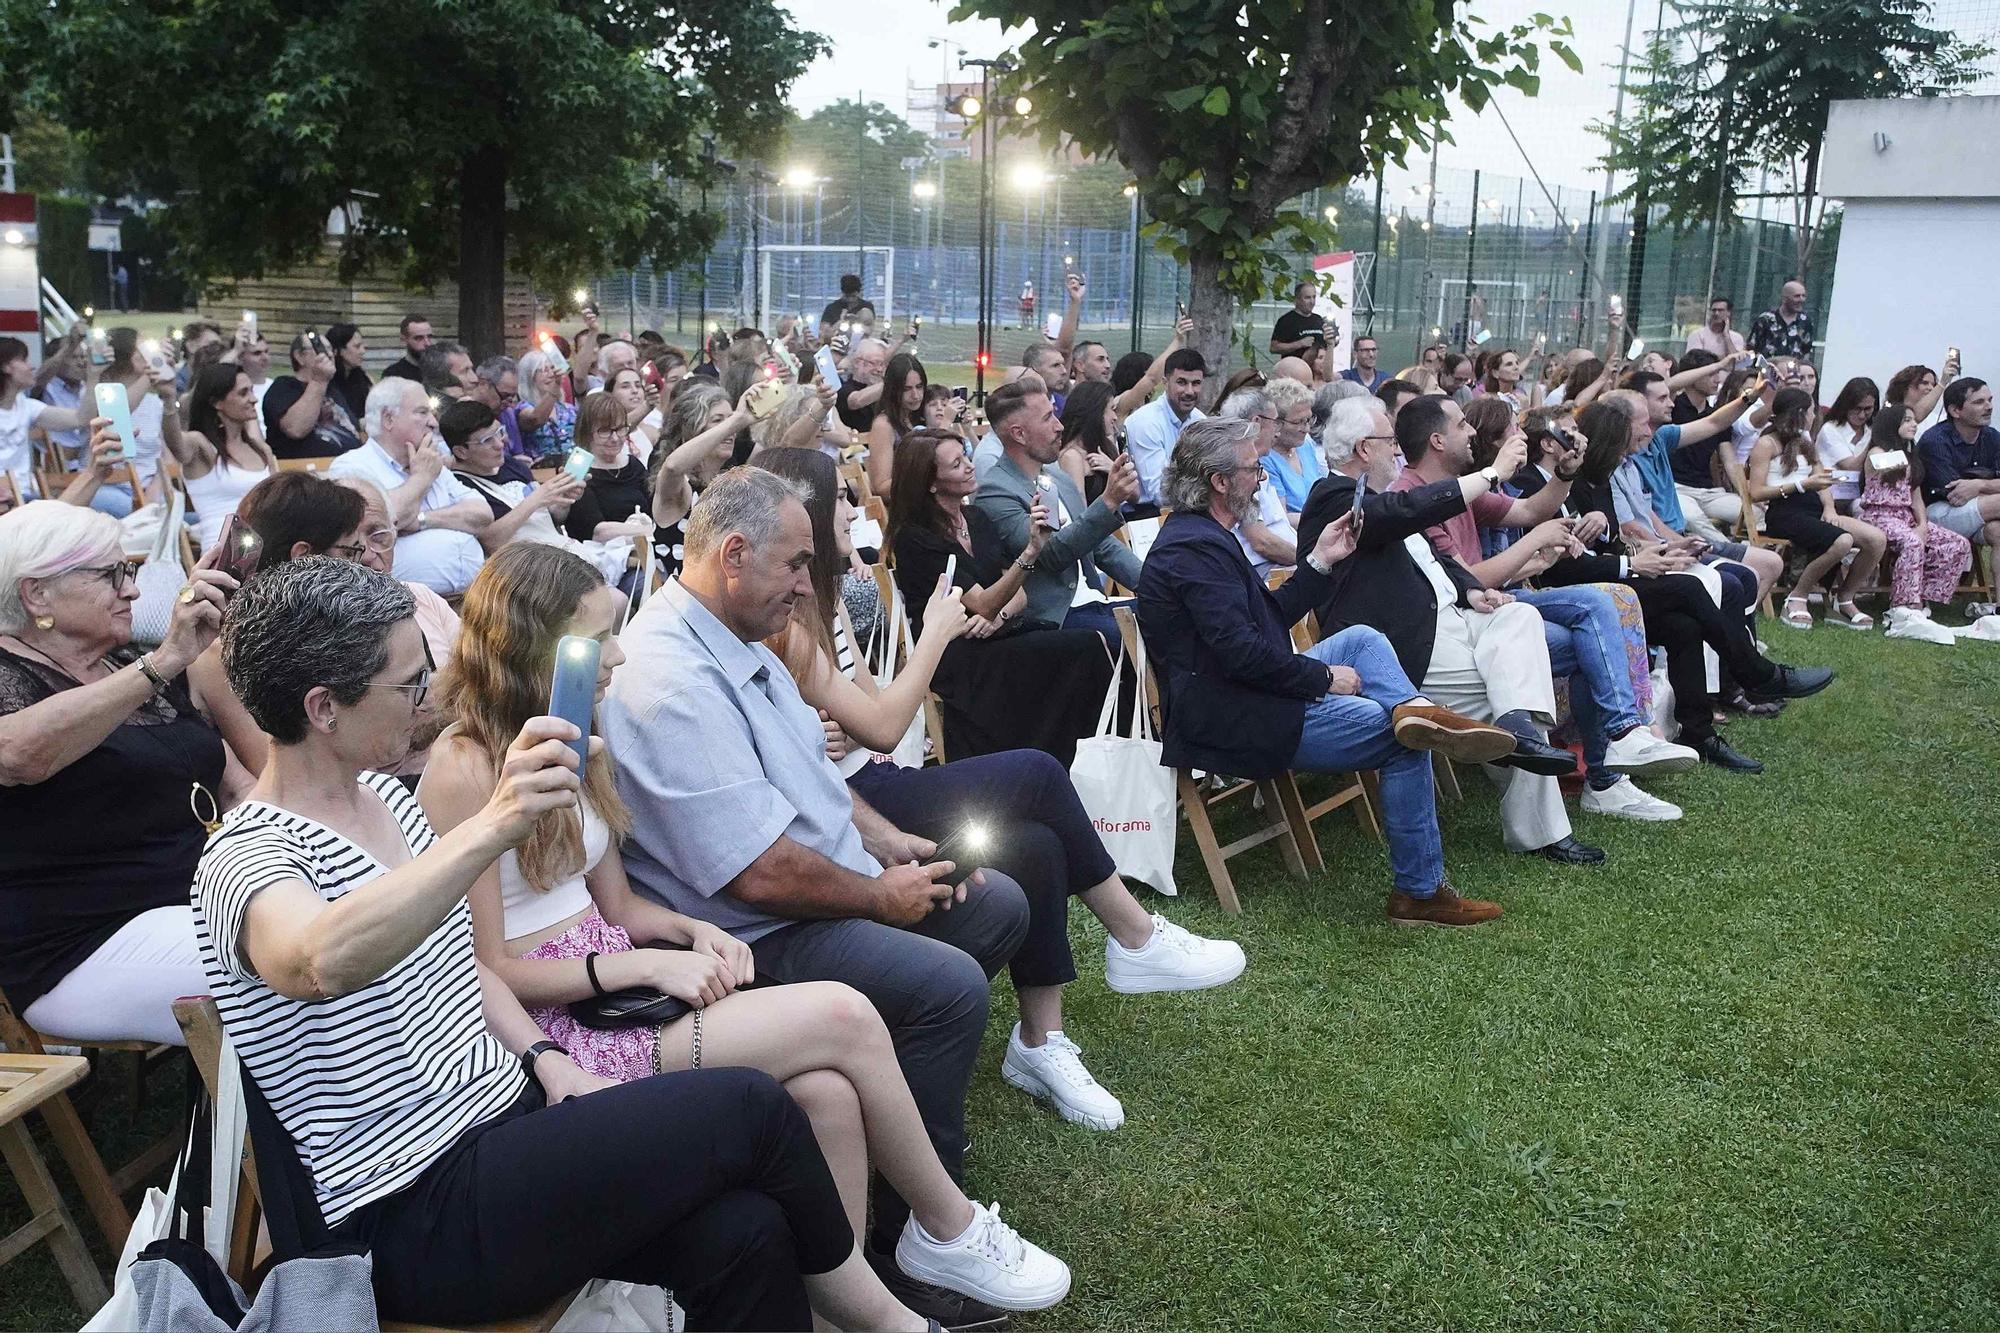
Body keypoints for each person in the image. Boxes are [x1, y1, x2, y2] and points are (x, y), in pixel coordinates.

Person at [196, 556, 933, 1332]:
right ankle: (891, 1324)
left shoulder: (382, 798)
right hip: (405, 1209)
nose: (427, 698)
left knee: (745, 1230)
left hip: (502, 1126)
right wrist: (491, 826)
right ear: (323, 707)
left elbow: (461, 967)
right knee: (750, 1107)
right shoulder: (250, 855)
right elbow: (314, 958)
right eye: (409, 682)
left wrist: (547, 1062)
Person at [420, 544, 1069, 1310]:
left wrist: (692, 934)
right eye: (596, 642)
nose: (618, 657)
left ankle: (844, 1314)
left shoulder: (572, 736)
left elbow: (620, 909)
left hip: (624, 986)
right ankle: (943, 1228)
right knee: (843, 1014)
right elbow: (484, 965)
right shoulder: (464, 767)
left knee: (828, 1092)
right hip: (564, 1024)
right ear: (536, 647)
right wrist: (640, 967)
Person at [600, 469, 1057, 1321]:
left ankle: (906, 1149)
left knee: (995, 906)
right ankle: (920, 1232)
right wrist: (878, 898)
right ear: (733, 555)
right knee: (946, 986)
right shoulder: (671, 676)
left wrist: (892, 844)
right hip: (750, 933)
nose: (810, 584)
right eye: (797, 562)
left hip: (802, 892)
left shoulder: (734, 633)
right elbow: (757, 872)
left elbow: (811, 778)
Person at [759, 447, 1245, 1134]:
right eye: (840, 495)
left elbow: (867, 711)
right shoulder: (784, 616)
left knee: (1040, 845)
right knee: (1039, 774)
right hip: (853, 804)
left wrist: (844, 718)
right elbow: (887, 719)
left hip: (872, 777)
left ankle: (1039, 1044)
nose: (853, 505)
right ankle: (1134, 938)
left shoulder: (834, 595)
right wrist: (932, 634)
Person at [1137, 417, 1518, 925]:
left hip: (1247, 689)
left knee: (1362, 640)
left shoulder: (1205, 536)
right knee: (1406, 741)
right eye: (1255, 469)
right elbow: (1244, 656)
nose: (1263, 479)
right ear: (1219, 481)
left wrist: (1319, 560)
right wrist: (1321, 679)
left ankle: (1418, 710)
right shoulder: (1194, 549)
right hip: (1235, 714)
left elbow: (1265, 626)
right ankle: (1419, 894)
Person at [1298, 399, 1607, 865]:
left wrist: (1469, 590)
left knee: (1519, 621)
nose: (1398, 454)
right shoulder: (1334, 496)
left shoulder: (1380, 498)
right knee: (1505, 693)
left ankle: (1518, 728)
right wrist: (1491, 473)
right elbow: (1402, 514)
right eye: (1388, 444)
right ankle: (1542, 828)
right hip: (1402, 646)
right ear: (1363, 449)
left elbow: (1430, 560)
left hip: (1454, 619)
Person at [1375, 396, 1696, 819]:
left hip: (1500, 607)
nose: (1471, 431)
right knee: (1593, 627)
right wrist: (1537, 538)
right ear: (1437, 440)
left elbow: (1529, 509)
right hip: (1471, 621)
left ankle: (1622, 741)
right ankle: (1609, 772)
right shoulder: (1412, 497)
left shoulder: (1461, 488)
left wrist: (1565, 472)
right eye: (1460, 426)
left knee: (1600, 606)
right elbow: (1468, 581)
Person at [0, 495, 245, 1045]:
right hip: (80, 942)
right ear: (37, 592)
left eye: (129, 571)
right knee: (292, 958)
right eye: (112, 575)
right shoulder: (138, 669)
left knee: (351, 904)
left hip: (196, 898)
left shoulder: (126, 667)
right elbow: (19, 755)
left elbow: (238, 789)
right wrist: (162, 661)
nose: (132, 589)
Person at [1536, 396, 1834, 771]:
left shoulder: (1599, 480)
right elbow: (1558, 569)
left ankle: (1699, 733)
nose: (1576, 443)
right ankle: (1757, 673)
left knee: (1684, 626)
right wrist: (1632, 563)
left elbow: (1608, 540)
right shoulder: (1564, 484)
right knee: (1690, 589)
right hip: (1590, 590)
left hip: (1612, 578)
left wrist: (1654, 553)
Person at [889, 429, 1113, 766]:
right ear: (931, 483)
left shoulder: (976, 519)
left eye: (965, 456)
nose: (969, 465)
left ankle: (1083, 757)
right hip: (955, 653)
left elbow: (1018, 595)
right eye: (956, 464)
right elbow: (983, 601)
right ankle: (1061, 759)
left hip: (1001, 633)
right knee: (1085, 647)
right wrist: (1033, 550)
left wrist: (1000, 616)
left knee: (1089, 646)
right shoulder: (915, 539)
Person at [972, 380, 1143, 646]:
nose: (1060, 425)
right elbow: (1050, 554)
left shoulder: (1057, 478)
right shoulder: (995, 493)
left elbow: (1101, 546)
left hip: (1096, 603)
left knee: (1178, 618)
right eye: (1048, 418)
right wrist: (1108, 501)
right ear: (1019, 434)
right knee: (1133, 638)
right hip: (1055, 618)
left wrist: (1154, 583)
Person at [328, 378, 490, 594]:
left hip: (469, 596)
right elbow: (383, 521)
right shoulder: (352, 466)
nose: (433, 422)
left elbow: (483, 514)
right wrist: (421, 479)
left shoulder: (431, 462)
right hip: (396, 604)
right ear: (388, 419)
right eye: (422, 412)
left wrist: (421, 520)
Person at [1748, 388, 1886, 630]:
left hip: (1814, 508)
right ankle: (1797, 597)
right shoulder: (1766, 443)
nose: (1815, 416)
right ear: (1800, 414)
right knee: (1842, 541)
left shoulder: (1805, 441)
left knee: (1876, 539)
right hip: (1784, 512)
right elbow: (1756, 492)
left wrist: (1830, 508)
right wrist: (1801, 485)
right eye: (1812, 411)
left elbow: (1820, 478)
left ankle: (1844, 598)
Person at [1859, 404, 1973, 621]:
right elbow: (1881, 464)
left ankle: (1922, 594)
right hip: (1879, 516)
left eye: (1914, 420)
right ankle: (1904, 603)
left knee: (1958, 544)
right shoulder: (1877, 452)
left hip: (1906, 518)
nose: (1914, 424)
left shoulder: (1910, 456)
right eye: (1907, 420)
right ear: (1892, 425)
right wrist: (1909, 454)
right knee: (1912, 543)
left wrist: (1922, 524)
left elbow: (1916, 498)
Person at [172, 362, 277, 550]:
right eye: (243, 393)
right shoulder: (201, 445)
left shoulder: (261, 450)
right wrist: (167, 401)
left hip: (268, 550)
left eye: (252, 391)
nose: (253, 399)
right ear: (216, 402)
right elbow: (176, 445)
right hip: (222, 555)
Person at [1, 337, 99, 503]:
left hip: (23, 498)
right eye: (24, 360)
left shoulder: (26, 406)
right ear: (5, 367)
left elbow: (81, 418)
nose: (31, 366)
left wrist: (94, 375)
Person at [1215, 389, 1298, 579]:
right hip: (1266, 573)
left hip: (1280, 567)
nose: (1278, 432)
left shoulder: (1255, 467)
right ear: (1257, 423)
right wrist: (1309, 560)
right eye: (1276, 422)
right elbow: (1261, 542)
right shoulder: (1241, 473)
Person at [1915, 377, 2000, 553]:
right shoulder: (1935, 441)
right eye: (1979, 402)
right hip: (1936, 512)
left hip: (1982, 509)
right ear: (1955, 410)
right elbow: (1956, 494)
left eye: (1990, 400)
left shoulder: (1992, 437)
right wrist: (1994, 487)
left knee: (1997, 532)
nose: (1989, 407)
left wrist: (1980, 485)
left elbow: (1971, 491)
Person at [561, 391, 656, 548]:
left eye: (620, 429)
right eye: (605, 431)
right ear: (587, 433)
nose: (615, 438)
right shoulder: (579, 471)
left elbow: (654, 507)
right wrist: (649, 530)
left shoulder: (633, 465)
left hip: (643, 548)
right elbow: (597, 531)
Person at [1122, 348, 1207, 505]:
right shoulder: (1145, 422)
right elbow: (1159, 493)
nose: (1189, 391)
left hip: (1189, 507)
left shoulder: (1201, 421)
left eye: (1196, 383)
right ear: (1165, 382)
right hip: (1145, 515)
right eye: (1181, 382)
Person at [264, 330, 362, 458]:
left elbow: (353, 428)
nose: (330, 355)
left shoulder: (332, 390)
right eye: (320, 349)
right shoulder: (284, 386)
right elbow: (296, 429)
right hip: (309, 471)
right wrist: (319, 381)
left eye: (331, 349)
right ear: (299, 356)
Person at [865, 351, 929, 496]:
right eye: (907, 389)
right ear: (893, 390)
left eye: (919, 387)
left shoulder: (916, 416)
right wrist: (924, 477)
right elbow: (881, 486)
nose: (915, 395)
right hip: (903, 505)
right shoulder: (884, 426)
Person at [1815, 377, 1880, 509]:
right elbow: (1851, 467)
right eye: (1857, 409)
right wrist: (1875, 441)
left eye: (1867, 409)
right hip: (1831, 496)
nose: (1862, 415)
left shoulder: (1870, 430)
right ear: (1846, 405)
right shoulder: (1830, 429)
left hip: (1864, 493)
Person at [1055, 379, 1120, 504]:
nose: (1115, 417)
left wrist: (1113, 469)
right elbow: (1080, 510)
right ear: (1096, 412)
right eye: (1111, 409)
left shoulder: (1105, 446)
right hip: (1100, 522)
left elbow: (1135, 495)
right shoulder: (1071, 456)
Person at [515, 348, 578, 461]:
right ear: (529, 376)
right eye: (544, 370)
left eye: (553, 369)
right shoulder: (523, 408)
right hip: (540, 471)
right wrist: (555, 387)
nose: (551, 375)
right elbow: (536, 419)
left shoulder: (569, 410)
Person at [1747, 281, 1815, 361]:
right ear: (1784, 299)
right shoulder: (1765, 319)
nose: (1801, 300)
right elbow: (1751, 348)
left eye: (1803, 296)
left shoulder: (1805, 321)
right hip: (1767, 370)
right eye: (1797, 296)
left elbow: (1807, 351)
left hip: (1794, 371)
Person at [835, 337, 890, 434]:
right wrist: (892, 380)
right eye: (875, 363)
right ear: (857, 362)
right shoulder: (843, 388)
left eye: (882, 364)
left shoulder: (883, 394)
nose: (879, 369)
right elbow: (856, 401)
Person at [324, 323, 372, 423]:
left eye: (362, 345)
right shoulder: (326, 382)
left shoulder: (363, 379)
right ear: (339, 351)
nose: (363, 351)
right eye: (357, 346)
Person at [1269, 278, 1328, 358]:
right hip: (1294, 368)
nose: (1312, 301)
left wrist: (1332, 341)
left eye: (1314, 297)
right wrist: (1299, 344)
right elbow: (1273, 348)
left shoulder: (1318, 319)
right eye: (1307, 298)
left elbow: (1325, 346)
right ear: (1297, 299)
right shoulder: (1286, 320)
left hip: (1318, 369)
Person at [379, 313, 432, 381]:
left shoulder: (442, 370)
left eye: (429, 337)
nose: (427, 343)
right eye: (419, 338)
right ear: (404, 339)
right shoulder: (393, 374)